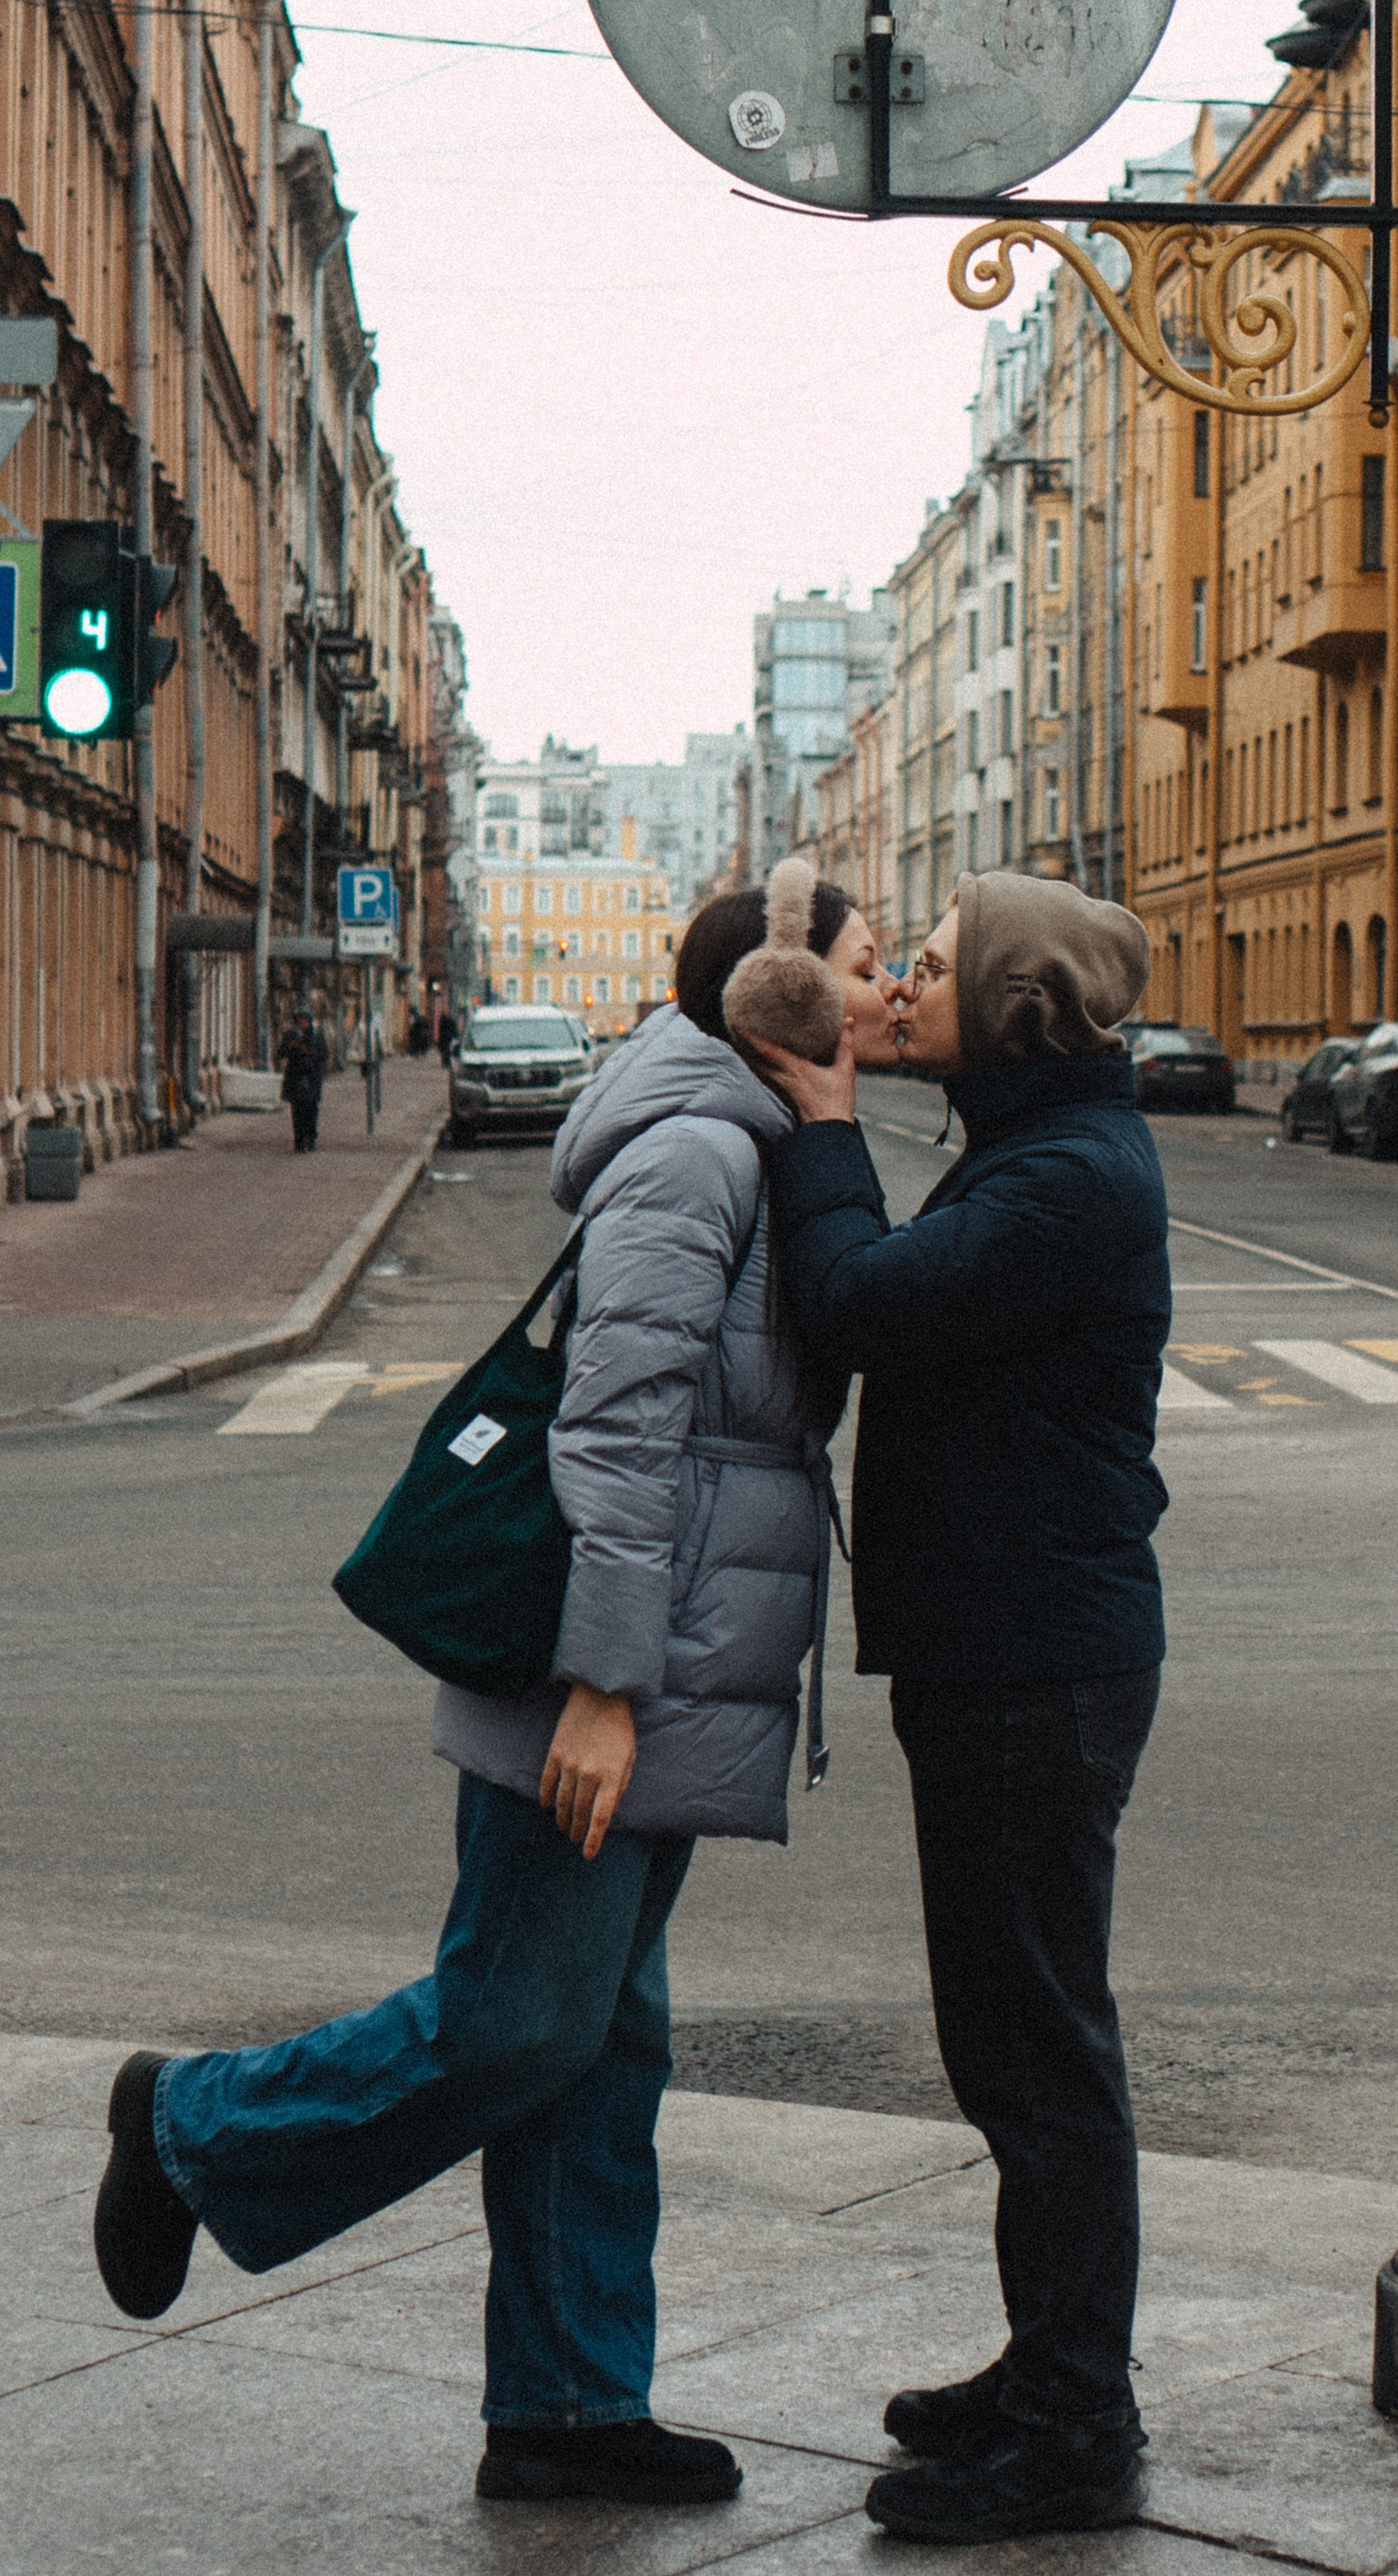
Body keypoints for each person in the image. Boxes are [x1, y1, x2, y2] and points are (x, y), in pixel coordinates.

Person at [93, 870, 896, 2511]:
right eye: (871, 968)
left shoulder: (758, 1142)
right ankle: (193, 2125)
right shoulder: (694, 1154)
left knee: (597, 2047)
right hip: (601, 1674)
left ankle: (569, 2405)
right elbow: (614, 1431)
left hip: (667, 1668)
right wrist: (602, 1685)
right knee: (518, 2019)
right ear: (786, 1001)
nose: (891, 993)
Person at [742, 871, 1167, 2547]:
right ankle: (1048, 2367)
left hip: (1031, 1659)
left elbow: (861, 1301)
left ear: (1009, 1007)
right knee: (1011, 2044)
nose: (896, 987)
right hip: (1004, 1645)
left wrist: (824, 1121)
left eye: (927, 969)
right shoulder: (1036, 1147)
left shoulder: (1067, 1178)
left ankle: (1072, 2427)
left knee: (1039, 2053)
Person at [276, 1007, 327, 1153]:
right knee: (297, 1111)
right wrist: (291, 1046)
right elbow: (281, 1053)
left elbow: (324, 1055)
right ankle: (299, 1141)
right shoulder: (290, 1034)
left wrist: (309, 1052)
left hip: (312, 1077)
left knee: (311, 1109)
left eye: (305, 1021)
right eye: (299, 1021)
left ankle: (311, 1138)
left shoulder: (317, 1035)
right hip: (295, 1076)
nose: (302, 1024)